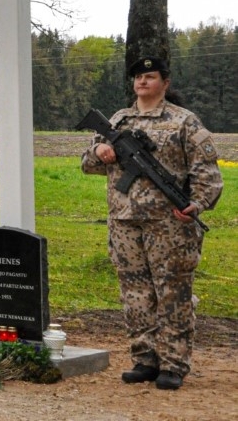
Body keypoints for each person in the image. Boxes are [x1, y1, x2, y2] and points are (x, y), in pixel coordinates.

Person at [81, 56, 222, 391]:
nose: (142, 82)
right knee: (135, 293)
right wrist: (101, 149)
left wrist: (197, 204)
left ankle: (174, 364)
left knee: (172, 293)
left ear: (165, 83)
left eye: (150, 76)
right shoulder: (119, 119)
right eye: (138, 77)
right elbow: (88, 164)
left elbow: (208, 175)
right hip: (125, 223)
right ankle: (145, 359)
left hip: (169, 225)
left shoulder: (184, 122)